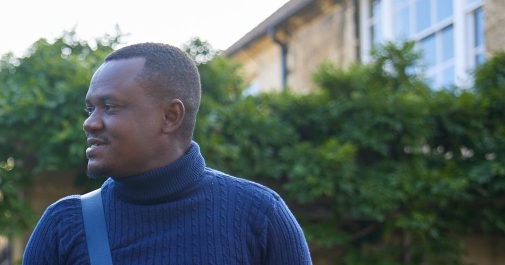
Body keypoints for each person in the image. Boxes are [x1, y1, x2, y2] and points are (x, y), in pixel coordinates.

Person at [22, 43, 312, 264]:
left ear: (171, 116)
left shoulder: (259, 215)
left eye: (109, 107)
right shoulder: (64, 224)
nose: (90, 123)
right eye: (90, 108)